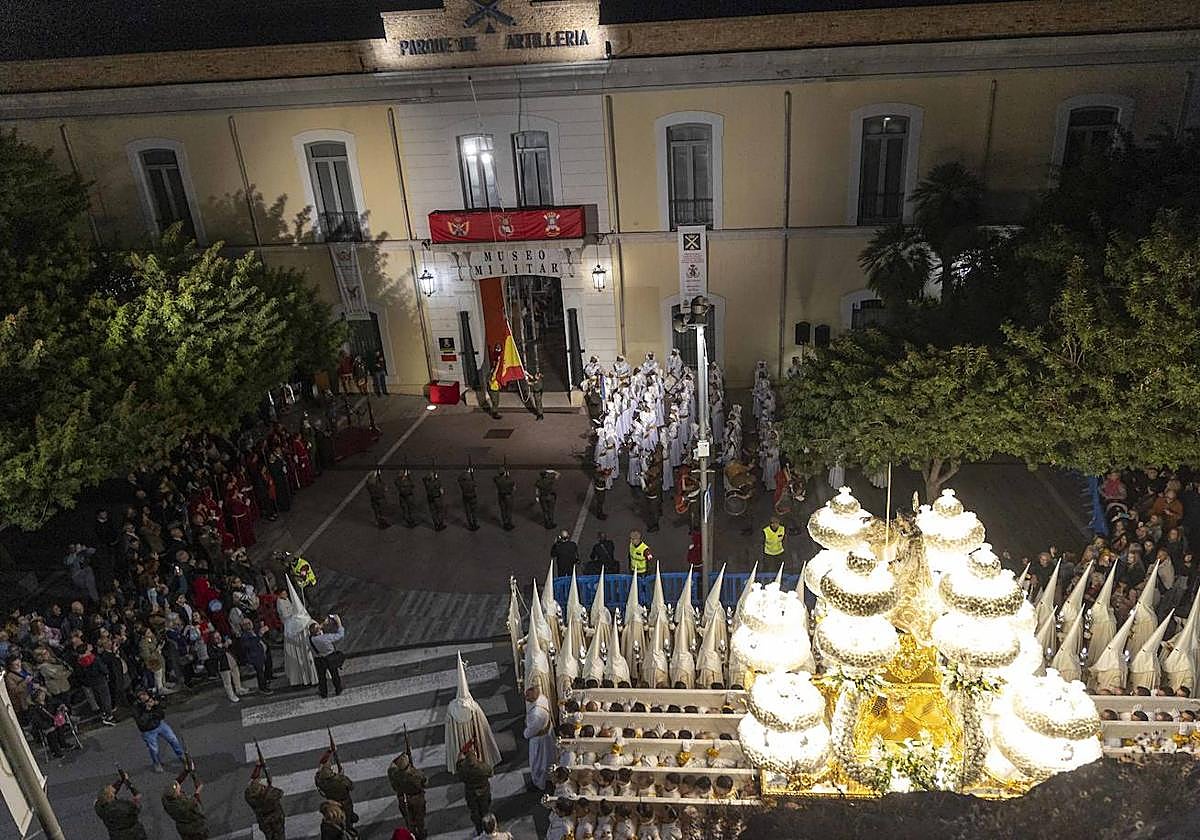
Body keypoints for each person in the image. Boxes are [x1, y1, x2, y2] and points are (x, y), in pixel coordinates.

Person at [132, 690, 185, 772]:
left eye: (145, 694)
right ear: (139, 699)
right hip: (148, 731)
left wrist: (156, 706)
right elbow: (141, 723)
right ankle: (156, 763)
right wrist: (147, 710)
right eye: (142, 696)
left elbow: (162, 714)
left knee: (173, 739)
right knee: (154, 749)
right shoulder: (136, 708)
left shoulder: (152, 699)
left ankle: (181, 756)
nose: (146, 698)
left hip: (159, 724)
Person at [387, 753, 428, 840]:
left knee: (408, 819)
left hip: (403, 798)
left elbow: (391, 773)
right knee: (419, 818)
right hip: (416, 799)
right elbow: (424, 783)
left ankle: (412, 833)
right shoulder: (415, 775)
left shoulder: (395, 774)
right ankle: (420, 833)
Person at [456, 742, 494, 836]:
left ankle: (479, 830)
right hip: (484, 791)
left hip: (471, 793)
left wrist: (460, 758)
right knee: (485, 810)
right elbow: (491, 772)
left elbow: (459, 771)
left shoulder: (464, 769)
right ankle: (487, 828)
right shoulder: (482, 768)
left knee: (475, 812)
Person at [523, 685, 555, 792]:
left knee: (538, 762)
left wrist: (525, 733)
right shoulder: (542, 698)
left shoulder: (537, 714)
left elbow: (530, 732)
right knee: (549, 757)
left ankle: (539, 783)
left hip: (539, 740)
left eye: (527, 696)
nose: (525, 698)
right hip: (548, 731)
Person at [316, 752, 358, 832]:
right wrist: (341, 776)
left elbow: (318, 775)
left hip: (332, 802)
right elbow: (351, 786)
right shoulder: (340, 781)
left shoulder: (320, 781)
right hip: (345, 802)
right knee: (347, 816)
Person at [244, 761, 286, 840]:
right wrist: (269, 785)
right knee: (279, 836)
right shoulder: (270, 795)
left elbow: (253, 781)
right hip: (276, 820)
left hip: (263, 821)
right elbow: (280, 793)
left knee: (269, 837)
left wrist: (258, 767)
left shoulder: (248, 796)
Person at [309, 613, 347, 698]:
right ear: (319, 631)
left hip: (318, 660)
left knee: (321, 677)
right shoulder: (326, 638)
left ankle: (323, 693)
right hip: (329, 658)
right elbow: (340, 635)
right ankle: (338, 689)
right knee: (334, 674)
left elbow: (316, 630)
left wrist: (322, 625)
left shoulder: (310, 639)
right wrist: (339, 623)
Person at [237, 619, 273, 695]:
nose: (248, 625)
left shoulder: (253, 631)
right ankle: (262, 688)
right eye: (246, 624)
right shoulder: (244, 636)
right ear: (243, 626)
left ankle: (265, 684)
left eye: (249, 622)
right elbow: (251, 645)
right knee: (260, 673)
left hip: (262, 654)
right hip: (255, 656)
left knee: (263, 671)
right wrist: (259, 635)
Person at [459, 466, 481, 531]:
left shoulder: (462, 483)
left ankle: (470, 524)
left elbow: (459, 478)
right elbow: (475, 486)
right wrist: (470, 473)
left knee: (468, 512)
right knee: (474, 512)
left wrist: (467, 472)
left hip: (465, 498)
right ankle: (475, 524)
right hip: (472, 498)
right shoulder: (472, 483)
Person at [494, 466, 516, 531]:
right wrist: (508, 476)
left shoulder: (497, 480)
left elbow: (495, 478)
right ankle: (509, 523)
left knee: (503, 510)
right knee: (508, 510)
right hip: (508, 496)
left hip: (500, 496)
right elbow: (514, 488)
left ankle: (505, 523)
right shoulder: (510, 480)